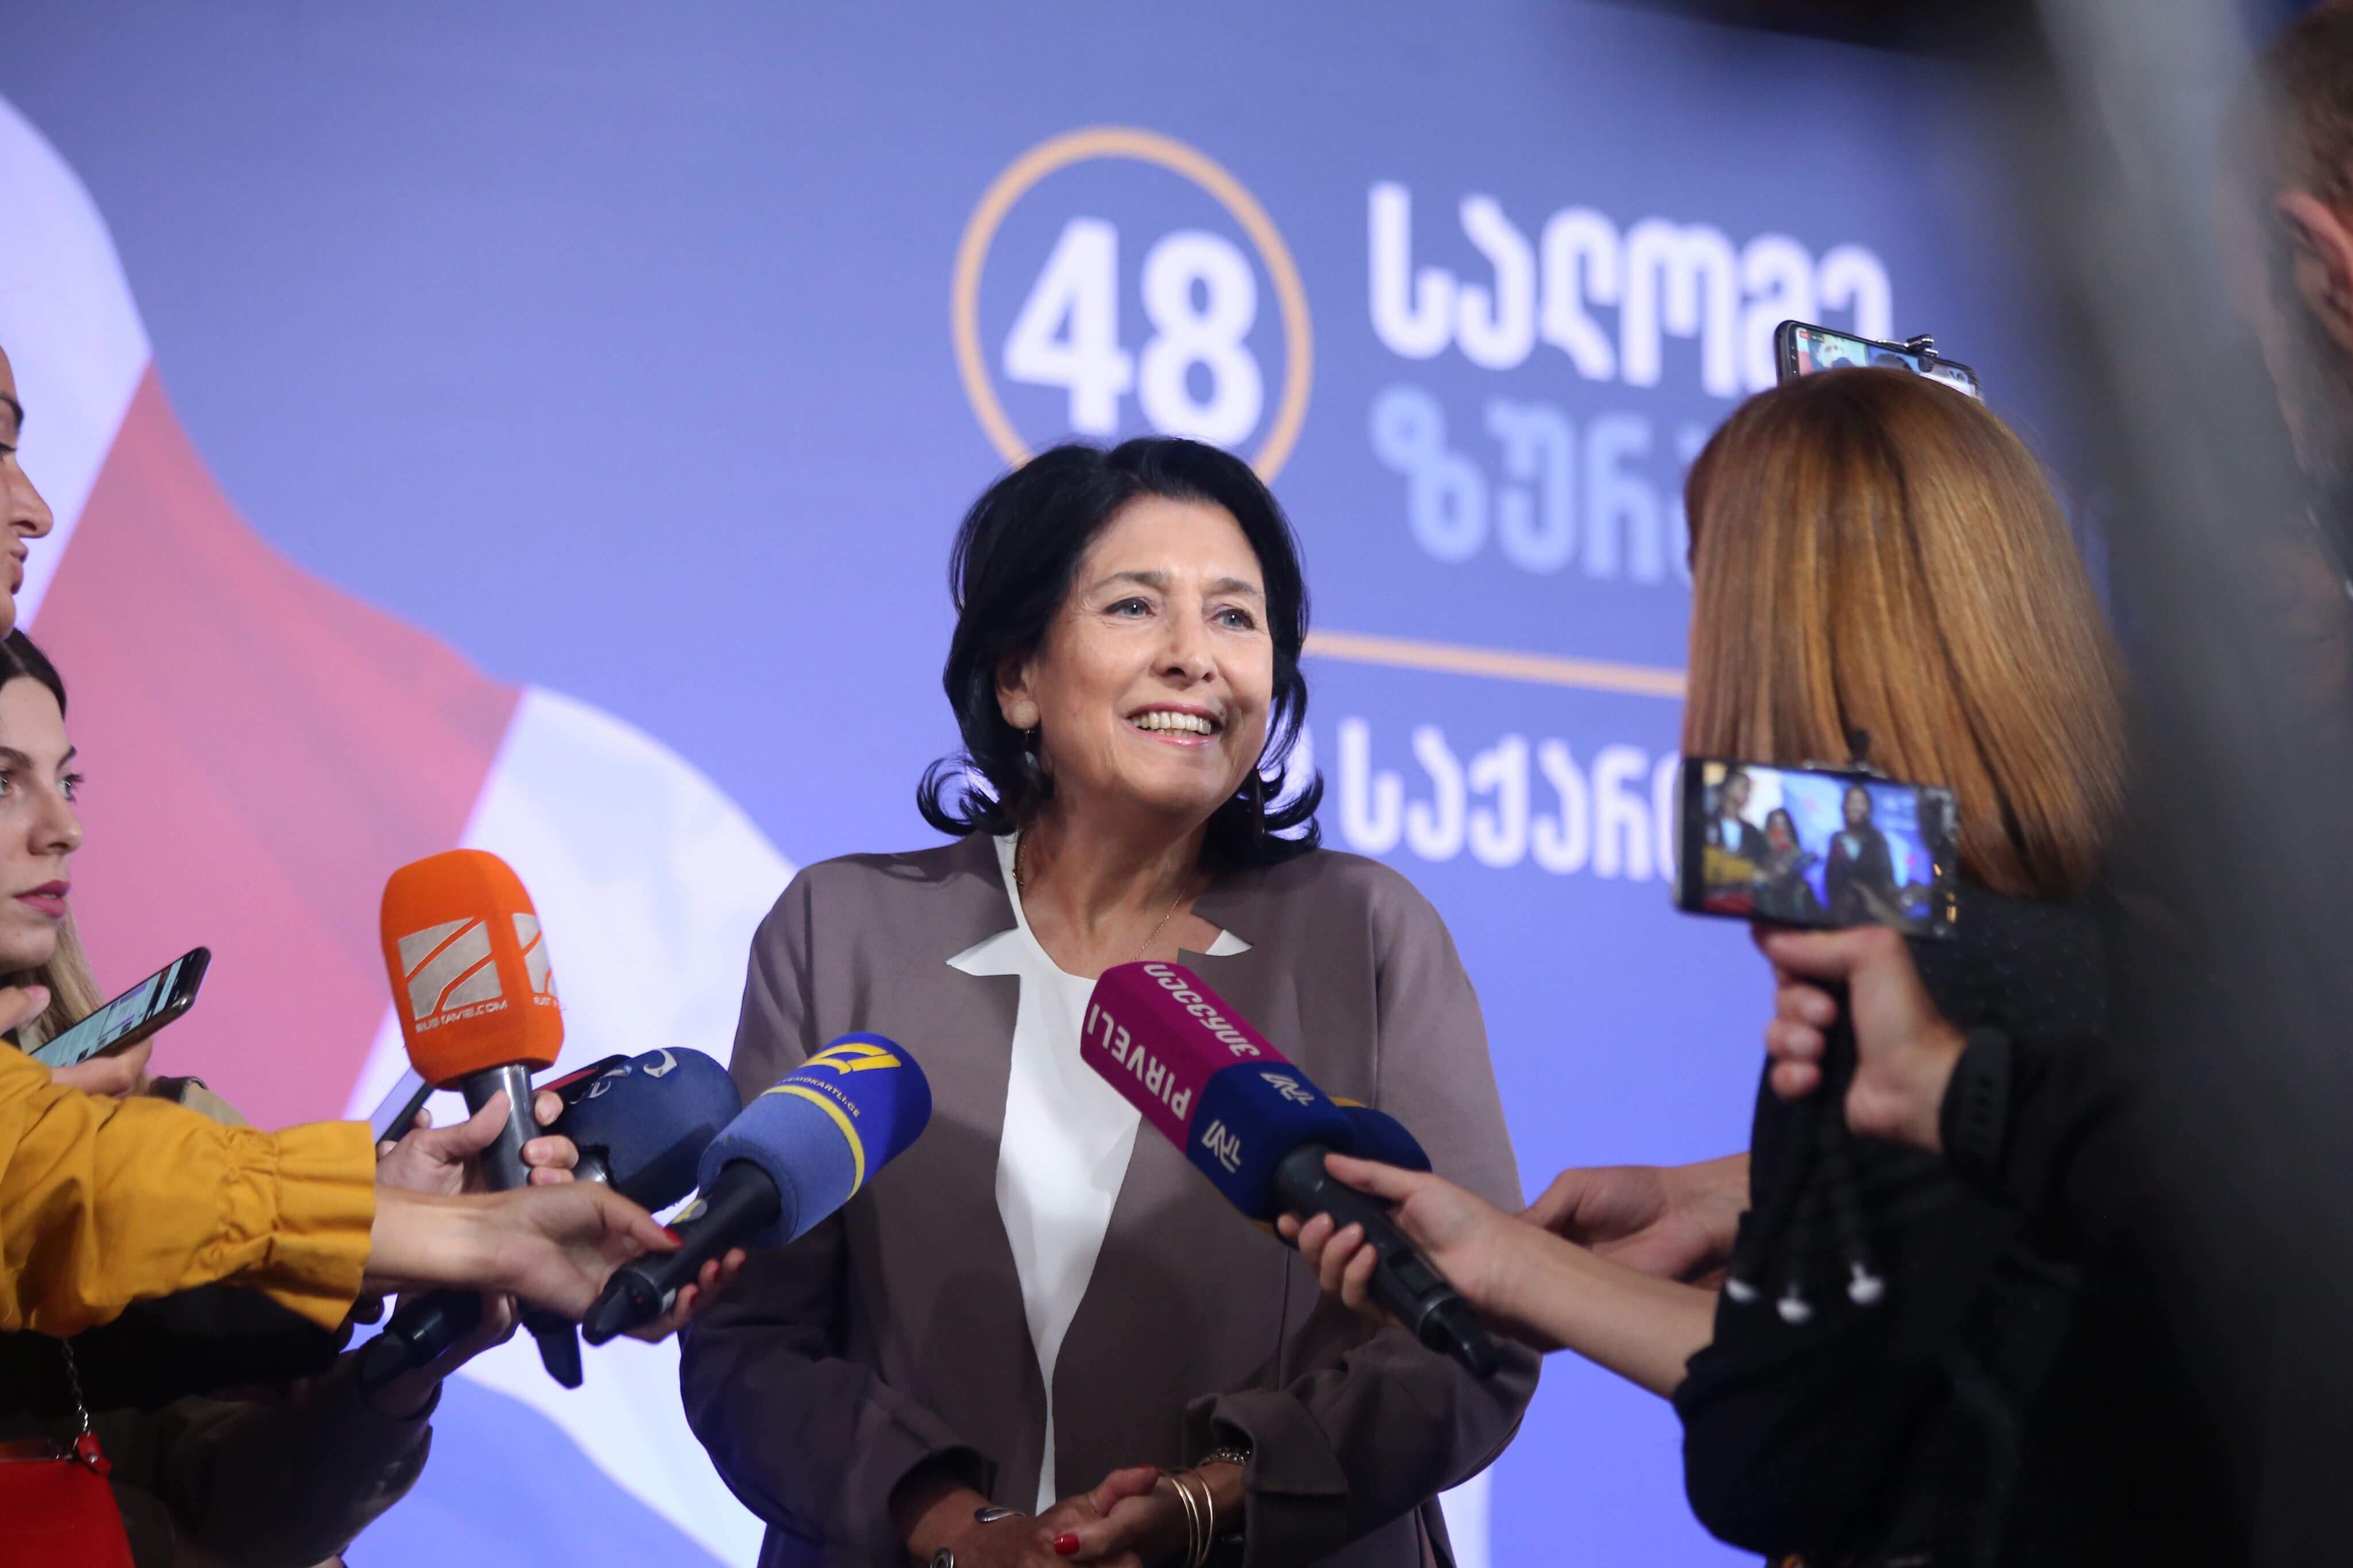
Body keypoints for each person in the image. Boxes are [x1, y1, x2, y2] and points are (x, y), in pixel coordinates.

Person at [1293, 368, 2136, 1565]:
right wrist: (1709, 1211)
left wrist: (1510, 1266)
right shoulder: (2141, 937)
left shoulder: (1898, 980)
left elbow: (1780, 1453)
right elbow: (1853, 1366)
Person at [680, 437, 1536, 1568]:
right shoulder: (841, 929)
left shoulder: (1365, 934)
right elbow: (749, 1346)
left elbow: (1473, 1340)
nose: (1193, 657)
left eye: (1234, 618)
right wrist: (962, 1535)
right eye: (1135, 606)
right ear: (1017, 678)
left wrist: (1207, 1503)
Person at [0, 338, 680, 1338]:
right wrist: (461, 1236)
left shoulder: (122, 1119)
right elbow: (68, 1185)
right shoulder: (90, 1144)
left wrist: (400, 1288)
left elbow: (157, 1383)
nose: (37, 509)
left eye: (67, 782)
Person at [1820, 783, 1901, 926]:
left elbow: (1888, 880)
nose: (1856, 807)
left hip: (1871, 919)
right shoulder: (1836, 840)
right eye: (1852, 802)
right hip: (1840, 918)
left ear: (1869, 809)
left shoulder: (1878, 841)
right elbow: (1829, 879)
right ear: (1845, 807)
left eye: (1861, 802)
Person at [1754, 806, 1823, 924]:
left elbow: (1812, 860)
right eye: (1776, 825)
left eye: (1784, 824)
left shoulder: (1802, 858)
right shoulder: (1763, 860)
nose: (1781, 829)